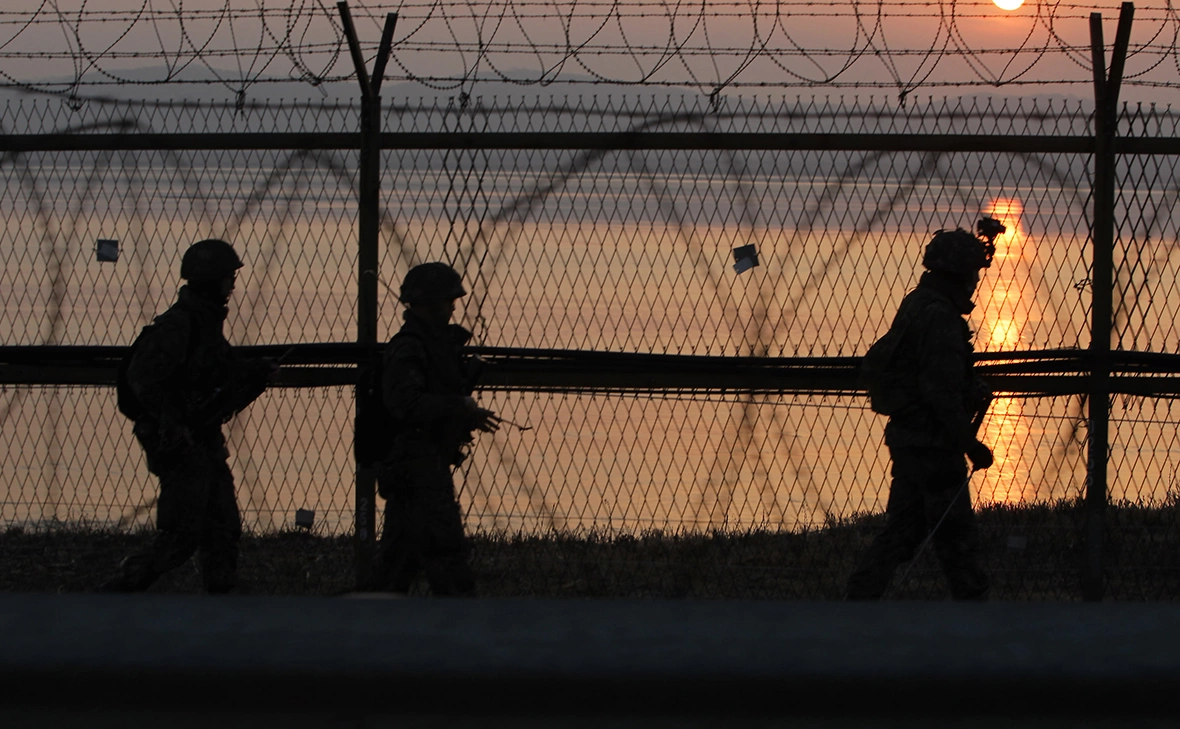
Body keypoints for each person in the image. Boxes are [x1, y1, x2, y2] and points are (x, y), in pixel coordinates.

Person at [100, 238, 275, 593]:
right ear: (212, 280)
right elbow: (143, 379)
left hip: (201, 438)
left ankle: (223, 599)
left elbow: (220, 384)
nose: (232, 285)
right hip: (181, 441)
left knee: (222, 526)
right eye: (227, 277)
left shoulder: (204, 324)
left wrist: (254, 378)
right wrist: (173, 423)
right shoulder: (180, 325)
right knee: (182, 533)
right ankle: (120, 590)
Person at [845, 227, 996, 601]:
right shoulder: (941, 319)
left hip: (912, 439)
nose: (975, 283)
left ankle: (858, 601)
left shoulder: (918, 304)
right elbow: (938, 393)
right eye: (971, 275)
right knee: (957, 537)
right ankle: (975, 612)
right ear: (958, 276)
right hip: (932, 446)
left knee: (903, 530)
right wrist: (971, 444)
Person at [367, 262, 499, 596]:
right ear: (430, 302)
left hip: (421, 464)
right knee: (447, 557)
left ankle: (370, 623)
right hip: (416, 466)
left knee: (399, 561)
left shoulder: (431, 345)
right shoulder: (410, 347)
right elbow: (407, 405)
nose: (454, 306)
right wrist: (460, 406)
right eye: (447, 300)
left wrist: (465, 413)